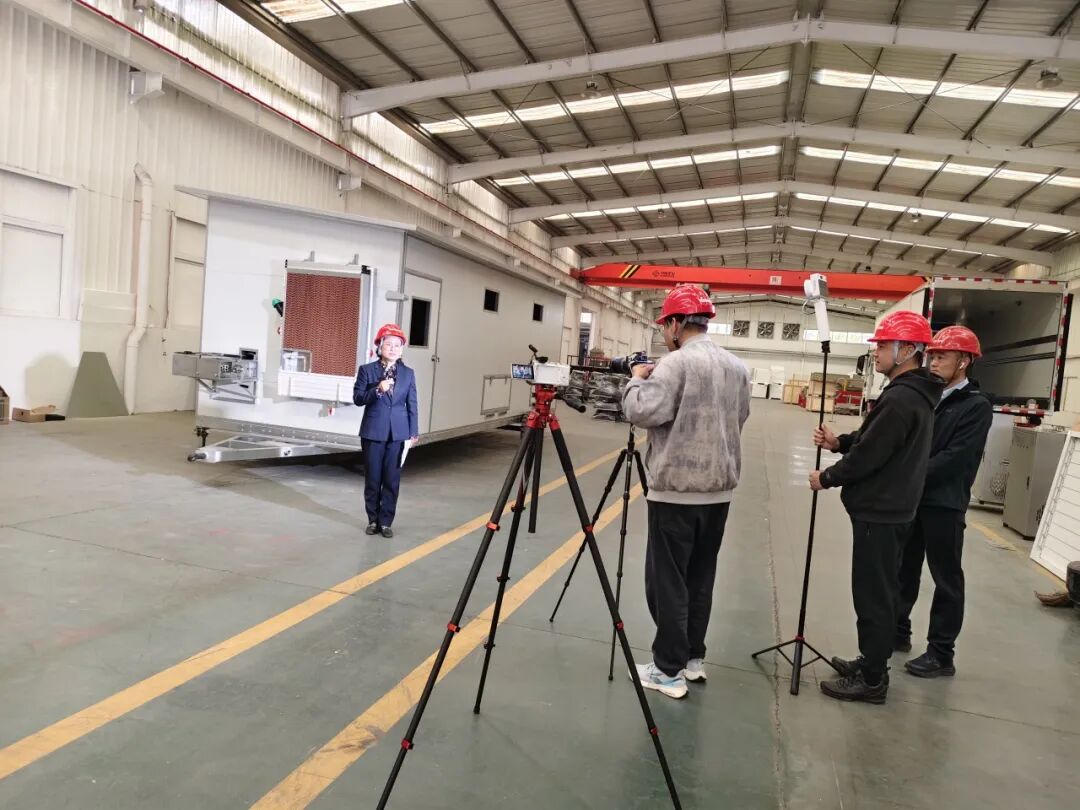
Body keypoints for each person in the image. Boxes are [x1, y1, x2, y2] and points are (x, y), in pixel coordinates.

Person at [621, 285, 751, 700]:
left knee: (667, 583)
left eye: (665, 325)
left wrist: (635, 381)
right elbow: (740, 417)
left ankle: (666, 669)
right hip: (718, 492)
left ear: (676, 324)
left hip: (677, 492)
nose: (664, 333)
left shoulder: (675, 365)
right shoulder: (737, 367)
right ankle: (693, 657)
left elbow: (641, 411)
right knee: (700, 579)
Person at [810, 311, 943, 704]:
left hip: (880, 512)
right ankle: (871, 661)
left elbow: (869, 456)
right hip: (891, 509)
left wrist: (827, 477)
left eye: (884, 345)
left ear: (908, 350)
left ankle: (872, 680)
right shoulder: (911, 393)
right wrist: (840, 443)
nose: (877, 352)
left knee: (873, 596)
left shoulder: (902, 398)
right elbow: (874, 439)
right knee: (879, 591)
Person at [895, 325, 992, 678]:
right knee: (904, 568)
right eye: (932, 356)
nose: (933, 362)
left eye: (942, 356)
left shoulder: (975, 406)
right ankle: (898, 631)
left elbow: (956, 457)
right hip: (914, 498)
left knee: (946, 577)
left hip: (945, 503)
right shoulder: (929, 396)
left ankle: (941, 653)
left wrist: (909, 472)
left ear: (964, 361)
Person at [352, 324, 419, 538]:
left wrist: (413, 432)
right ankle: (373, 520)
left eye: (397, 345)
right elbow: (358, 399)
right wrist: (377, 390)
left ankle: (386, 522)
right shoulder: (367, 370)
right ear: (380, 347)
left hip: (398, 433)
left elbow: (412, 403)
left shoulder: (408, 374)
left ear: (401, 350)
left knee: (392, 479)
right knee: (373, 478)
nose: (392, 348)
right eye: (388, 344)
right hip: (373, 432)